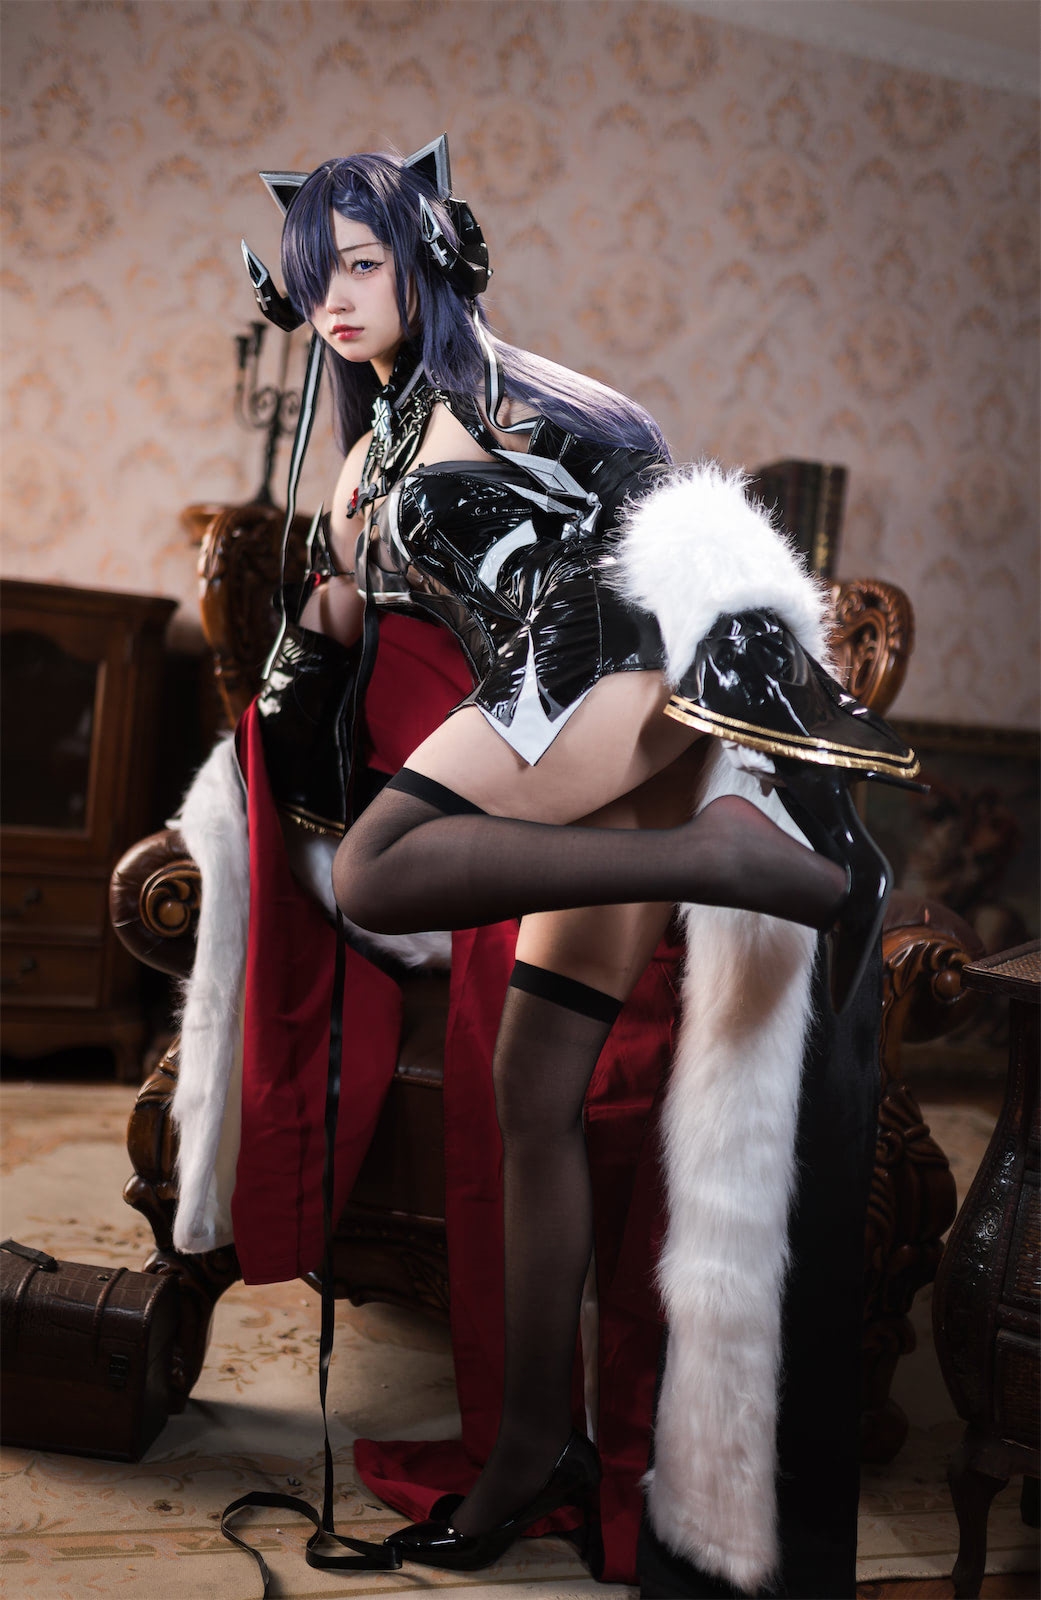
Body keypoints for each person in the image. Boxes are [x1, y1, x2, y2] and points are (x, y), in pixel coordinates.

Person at [210, 136, 917, 1596]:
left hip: (604, 665)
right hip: (566, 698)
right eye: (313, 273)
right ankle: (535, 1447)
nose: (334, 296)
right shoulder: (367, 456)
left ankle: (727, 851)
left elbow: (665, 518)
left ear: (429, 258)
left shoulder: (517, 396)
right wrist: (324, 614)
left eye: (362, 263)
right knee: (534, 1084)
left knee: (385, 872)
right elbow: (353, 626)